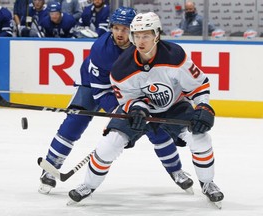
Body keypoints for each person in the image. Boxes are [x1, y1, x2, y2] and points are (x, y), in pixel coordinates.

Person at [68, 12, 224, 206]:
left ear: (157, 35)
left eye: (146, 36)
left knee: (201, 140)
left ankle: (208, 183)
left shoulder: (175, 56)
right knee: (109, 144)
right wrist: (137, 109)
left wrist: (203, 105)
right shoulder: (121, 68)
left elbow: (198, 85)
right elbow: (126, 100)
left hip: (174, 106)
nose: (141, 41)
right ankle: (88, 186)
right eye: (137, 35)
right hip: (140, 110)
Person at [39, 7, 193, 195]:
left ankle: (176, 170)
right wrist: (121, 113)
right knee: (75, 120)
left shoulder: (145, 46)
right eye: (116, 28)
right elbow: (101, 91)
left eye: (126, 29)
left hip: (130, 87)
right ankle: (50, 167)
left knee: (154, 125)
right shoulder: (101, 50)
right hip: (94, 85)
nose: (120, 34)